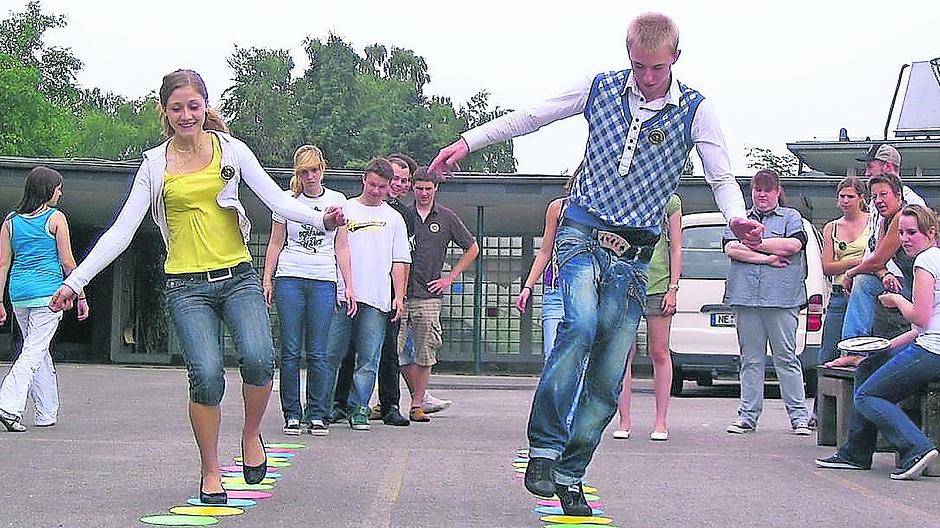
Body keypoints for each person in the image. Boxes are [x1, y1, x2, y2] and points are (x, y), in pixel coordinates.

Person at [429, 12, 760, 516]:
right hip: (582, 230)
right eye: (638, 66)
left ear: (675, 57)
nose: (646, 78)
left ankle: (571, 470)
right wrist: (467, 143)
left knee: (608, 377)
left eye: (656, 68)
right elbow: (535, 115)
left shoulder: (695, 108)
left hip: (633, 253)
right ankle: (542, 449)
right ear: (627, 55)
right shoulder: (601, 87)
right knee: (578, 325)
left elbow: (721, 173)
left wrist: (735, 217)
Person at [48, 70, 344, 504]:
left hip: (238, 276)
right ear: (165, 113)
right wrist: (75, 281)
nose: (186, 115)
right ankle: (210, 469)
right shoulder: (154, 164)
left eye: (194, 106)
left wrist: (322, 219)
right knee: (206, 377)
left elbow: (278, 200)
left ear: (206, 106)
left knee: (260, 361)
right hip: (186, 286)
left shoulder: (231, 149)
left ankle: (250, 437)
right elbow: (120, 232)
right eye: (177, 108)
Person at [815, 204, 940, 480]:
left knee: (868, 396)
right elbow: (925, 327)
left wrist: (895, 299)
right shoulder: (935, 258)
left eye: (912, 233)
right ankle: (856, 453)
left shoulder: (925, 262)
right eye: (902, 233)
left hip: (933, 352)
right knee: (869, 366)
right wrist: (883, 347)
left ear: (931, 233)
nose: (905, 239)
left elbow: (919, 316)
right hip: (929, 343)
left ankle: (918, 448)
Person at [262, 145, 352, 436]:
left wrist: (349, 284)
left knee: (318, 351)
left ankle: (317, 412)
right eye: (304, 171)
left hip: (323, 278)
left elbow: (341, 246)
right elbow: (276, 242)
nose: (310, 176)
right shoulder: (286, 201)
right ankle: (291, 412)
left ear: (322, 169)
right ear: (297, 173)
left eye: (314, 170)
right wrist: (268, 278)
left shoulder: (337, 201)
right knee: (289, 349)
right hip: (290, 275)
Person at [320, 157, 410, 432]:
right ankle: (321, 408)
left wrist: (399, 297)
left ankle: (360, 408)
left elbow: (400, 260)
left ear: (388, 187)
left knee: (369, 357)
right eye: (372, 184)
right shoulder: (344, 209)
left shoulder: (394, 219)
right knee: (331, 355)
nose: (375, 190)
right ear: (363, 180)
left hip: (377, 298)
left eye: (382, 186)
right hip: (342, 296)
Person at [0, 167, 89, 432]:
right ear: (47, 189)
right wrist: (80, 294)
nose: (60, 192)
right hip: (48, 295)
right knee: (34, 351)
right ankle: (7, 404)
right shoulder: (56, 218)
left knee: (38, 349)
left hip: (19, 295)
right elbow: (68, 262)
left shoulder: (10, 221)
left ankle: (46, 412)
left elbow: (3, 263)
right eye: (58, 187)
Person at [723, 170, 811, 435]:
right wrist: (767, 256)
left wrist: (755, 244)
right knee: (750, 359)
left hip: (782, 299)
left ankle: (799, 418)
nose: (762, 194)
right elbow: (730, 248)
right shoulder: (739, 219)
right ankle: (747, 417)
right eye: (757, 189)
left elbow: (793, 246)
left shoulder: (792, 217)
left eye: (767, 190)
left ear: (777, 192)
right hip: (745, 298)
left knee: (786, 358)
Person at [397, 167, 479, 422]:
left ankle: (418, 403)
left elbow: (472, 247)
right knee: (393, 350)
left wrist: (450, 277)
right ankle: (389, 400)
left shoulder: (446, 217)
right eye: (419, 188)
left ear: (436, 189)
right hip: (399, 292)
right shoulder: (402, 215)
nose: (423, 193)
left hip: (429, 294)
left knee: (426, 349)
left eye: (428, 189)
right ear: (413, 188)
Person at [614, 193, 682, 441]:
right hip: (627, 281)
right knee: (622, 352)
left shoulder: (670, 201)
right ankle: (624, 420)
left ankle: (661, 421)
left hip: (658, 284)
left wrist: (673, 287)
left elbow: (675, 246)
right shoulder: (623, 195)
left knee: (659, 351)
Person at [835, 172, 916, 367]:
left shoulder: (902, 217)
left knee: (861, 279)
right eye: (874, 196)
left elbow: (877, 259)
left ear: (898, 196)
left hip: (922, 286)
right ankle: (854, 348)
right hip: (903, 282)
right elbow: (878, 261)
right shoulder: (882, 221)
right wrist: (885, 273)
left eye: (883, 194)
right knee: (864, 282)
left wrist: (850, 272)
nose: (878, 200)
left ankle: (859, 348)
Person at [807, 178, 869, 423]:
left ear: (861, 198)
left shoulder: (872, 224)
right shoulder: (832, 228)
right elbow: (828, 266)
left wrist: (861, 267)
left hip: (863, 295)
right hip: (839, 295)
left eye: (850, 196)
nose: (845, 201)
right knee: (829, 352)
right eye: (841, 196)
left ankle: (857, 412)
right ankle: (821, 412)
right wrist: (856, 263)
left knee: (860, 352)